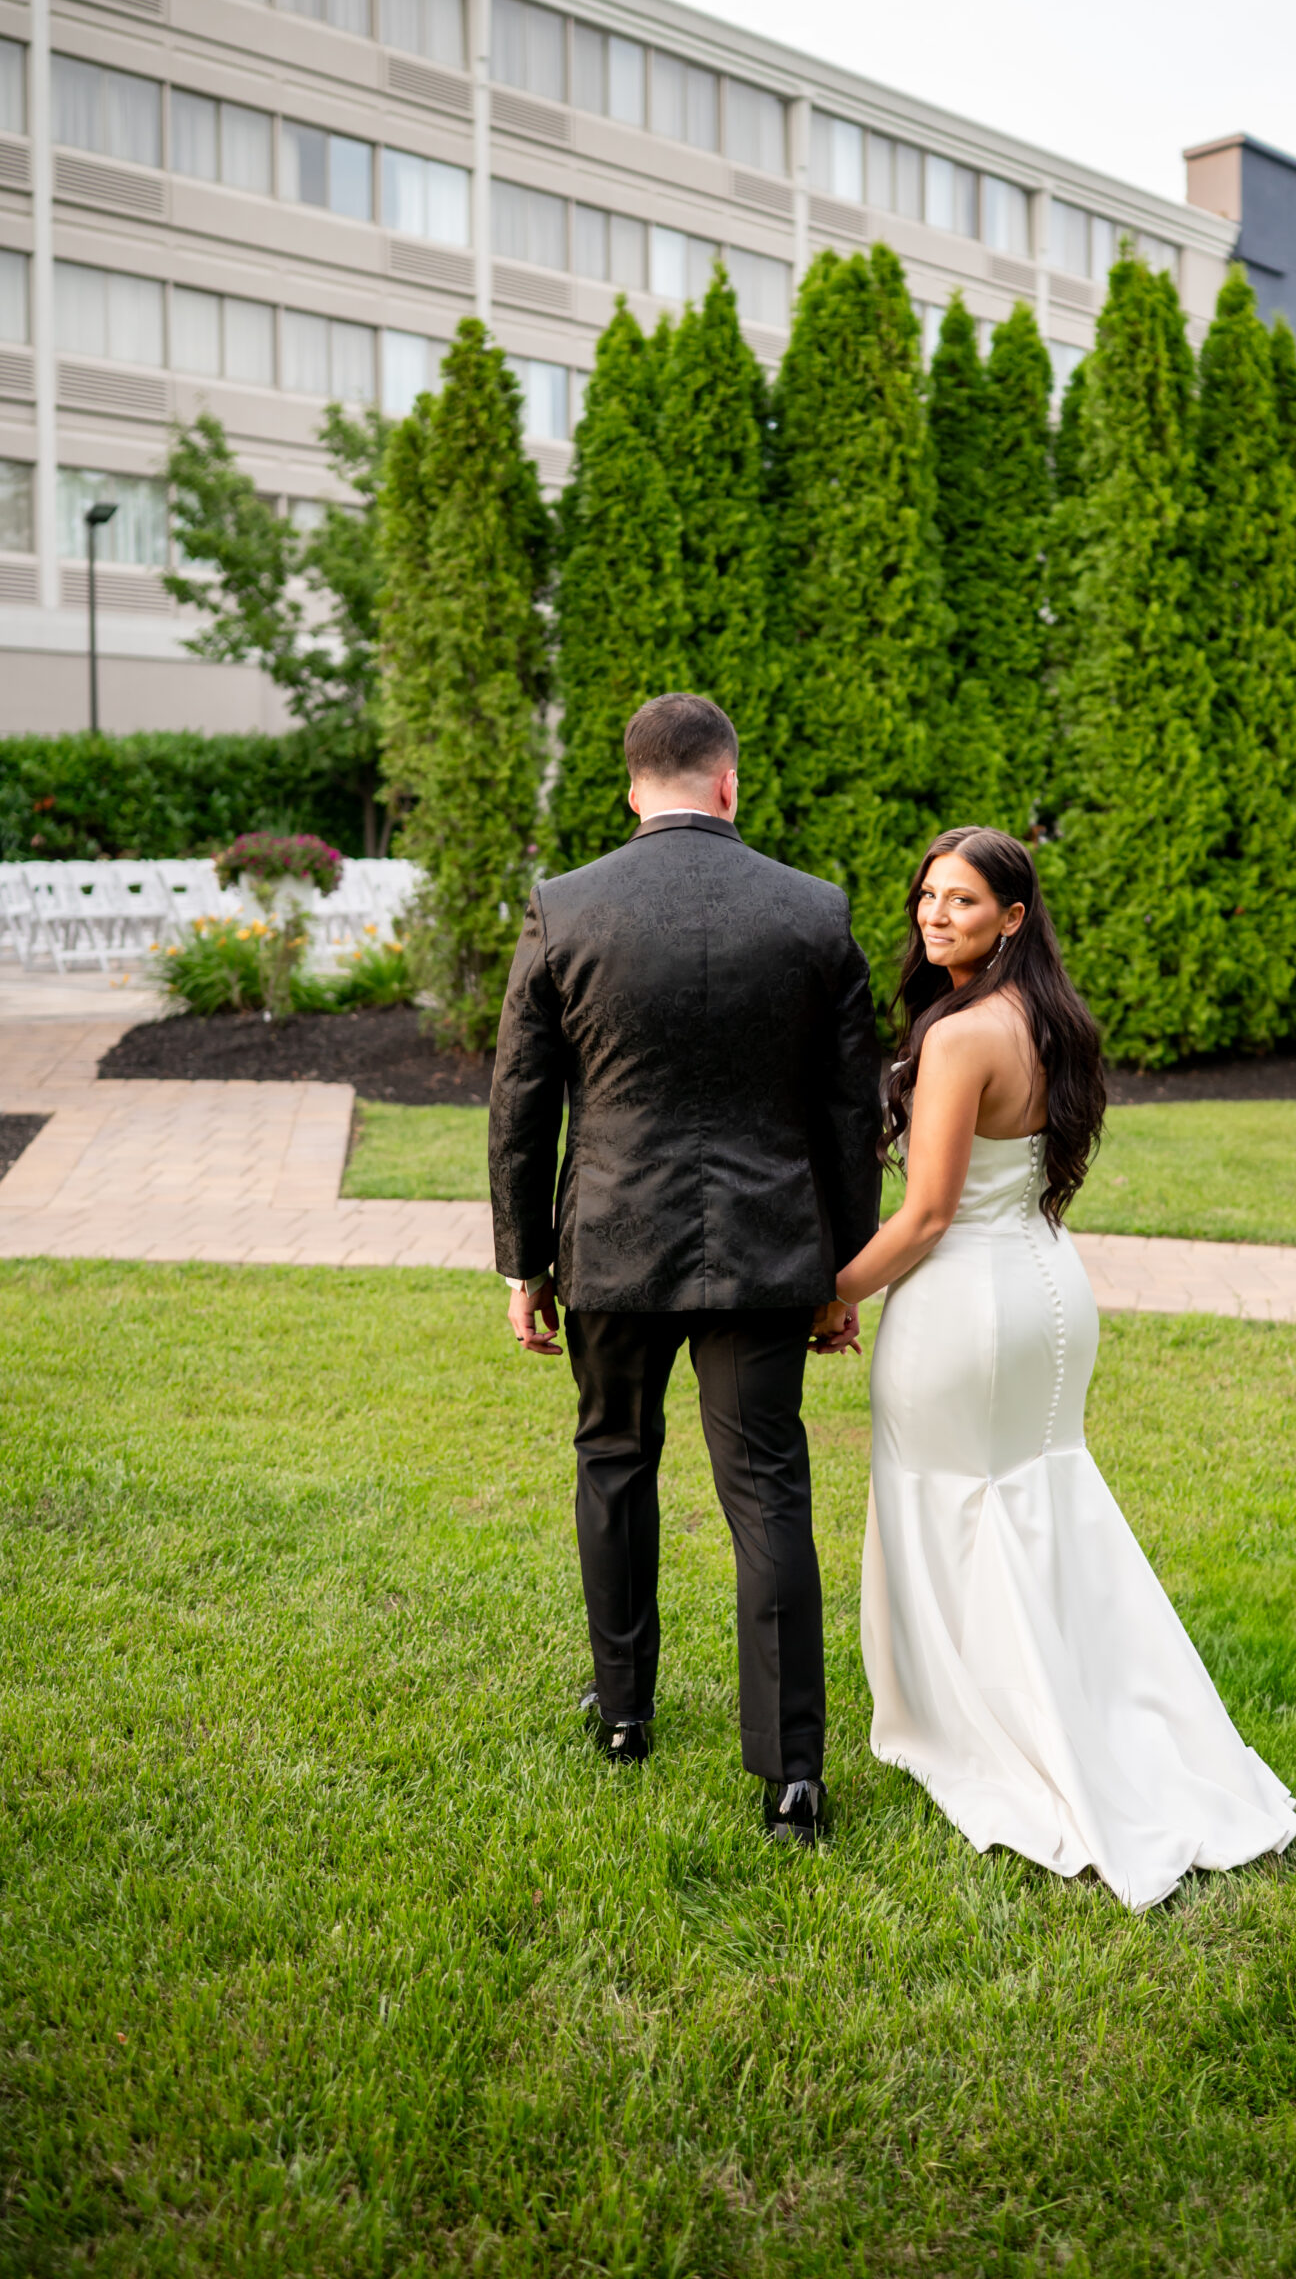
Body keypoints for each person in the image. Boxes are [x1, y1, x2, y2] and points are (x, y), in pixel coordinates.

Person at [839, 826, 1296, 1908]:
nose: (932, 915)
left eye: (960, 901)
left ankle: (987, 1726)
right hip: (1048, 1287)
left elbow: (927, 1214)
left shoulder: (960, 1038)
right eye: (924, 897)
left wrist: (833, 1292)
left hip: (964, 1305)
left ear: (1011, 917)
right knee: (1038, 1502)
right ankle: (1102, 1713)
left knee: (954, 1507)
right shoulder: (1049, 1020)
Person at [487, 694, 882, 1847]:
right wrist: (841, 1271)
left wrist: (524, 1260)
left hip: (609, 1241)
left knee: (614, 1461)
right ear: (728, 783)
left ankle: (622, 1715)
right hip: (766, 1247)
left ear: (630, 788)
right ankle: (791, 1776)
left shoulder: (565, 907)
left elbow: (521, 1101)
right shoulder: (813, 911)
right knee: (766, 1487)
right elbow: (848, 1109)